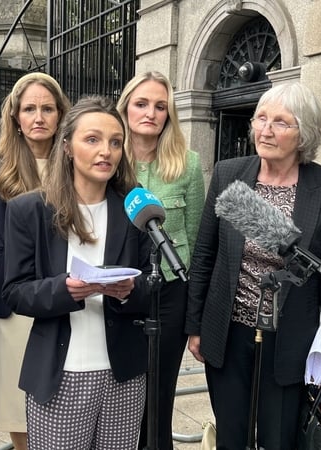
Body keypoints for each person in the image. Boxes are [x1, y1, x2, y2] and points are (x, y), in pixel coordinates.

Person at [185, 82, 321, 449]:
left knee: (278, 439)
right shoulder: (230, 174)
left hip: (290, 340)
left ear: (303, 133)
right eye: (261, 118)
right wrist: (195, 325)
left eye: (280, 122)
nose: (266, 130)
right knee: (232, 435)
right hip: (227, 332)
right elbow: (205, 254)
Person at [2, 96, 153, 449]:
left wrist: (131, 288)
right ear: (67, 146)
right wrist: (65, 290)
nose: (107, 152)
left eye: (116, 142)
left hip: (124, 374)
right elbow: (14, 292)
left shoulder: (135, 205)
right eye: (93, 140)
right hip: (60, 373)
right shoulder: (30, 210)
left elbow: (155, 283)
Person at [0, 71, 71, 450]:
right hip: (13, 297)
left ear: (61, 114)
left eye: (47, 108)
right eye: (29, 108)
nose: (38, 117)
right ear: (15, 115)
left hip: (63, 293)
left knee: (61, 392)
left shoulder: (74, 157)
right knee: (17, 399)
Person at [117, 71, 205, 449]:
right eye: (141, 104)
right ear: (125, 108)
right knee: (120, 392)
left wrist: (196, 320)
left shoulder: (188, 164)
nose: (150, 113)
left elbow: (201, 244)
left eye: (160, 106)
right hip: (117, 293)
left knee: (159, 397)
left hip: (169, 294)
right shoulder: (106, 160)